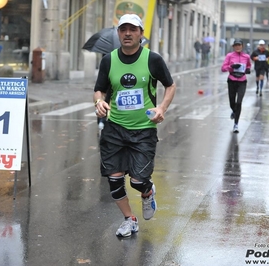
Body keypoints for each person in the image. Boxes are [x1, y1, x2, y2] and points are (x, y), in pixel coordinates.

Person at [93, 14, 176, 238]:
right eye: (123, 29)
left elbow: (170, 85)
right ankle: (130, 219)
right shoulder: (109, 60)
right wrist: (99, 102)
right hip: (115, 128)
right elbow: (98, 89)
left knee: (138, 180)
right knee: (114, 179)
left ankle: (147, 192)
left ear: (141, 34)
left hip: (143, 129)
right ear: (119, 33)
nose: (127, 33)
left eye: (133, 29)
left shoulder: (153, 59)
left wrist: (162, 109)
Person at [221, 38, 251, 133]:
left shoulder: (246, 57)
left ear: (242, 46)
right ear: (233, 47)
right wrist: (231, 67)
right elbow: (223, 68)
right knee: (232, 102)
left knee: (239, 102)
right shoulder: (229, 56)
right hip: (232, 80)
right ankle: (234, 111)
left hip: (242, 81)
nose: (238, 47)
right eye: (236, 45)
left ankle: (236, 124)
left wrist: (247, 70)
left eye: (239, 45)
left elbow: (249, 66)